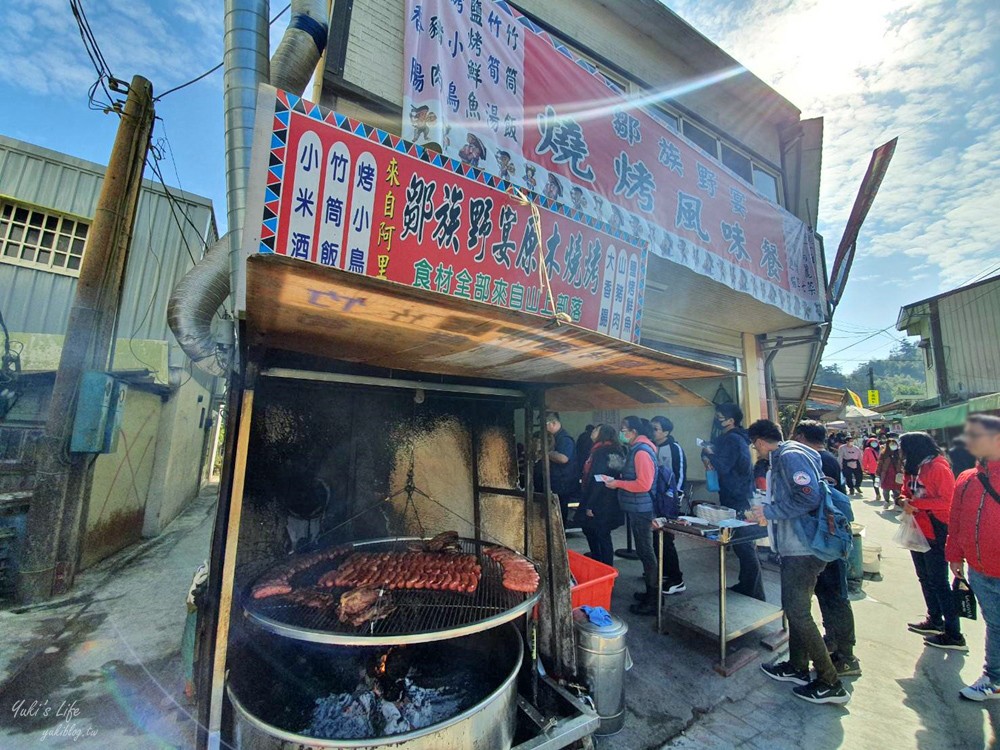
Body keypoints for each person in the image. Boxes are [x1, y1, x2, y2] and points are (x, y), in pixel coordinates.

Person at [748, 419, 851, 705]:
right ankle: (796, 666)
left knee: (798, 612)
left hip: (803, 548)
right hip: (797, 546)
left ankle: (830, 682)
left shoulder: (790, 456)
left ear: (759, 441)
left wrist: (770, 511)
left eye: (754, 445)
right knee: (796, 609)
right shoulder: (789, 455)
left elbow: (809, 496)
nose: (755, 450)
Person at [792, 420, 861, 678]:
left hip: (828, 536)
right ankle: (832, 641)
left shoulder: (816, 460)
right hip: (829, 535)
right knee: (827, 594)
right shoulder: (827, 458)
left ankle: (846, 655)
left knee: (834, 595)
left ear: (800, 436)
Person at [947, 415, 1000, 700]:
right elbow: (956, 521)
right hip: (980, 571)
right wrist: (955, 556)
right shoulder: (967, 478)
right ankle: (994, 678)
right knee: (996, 625)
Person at [899, 431, 965, 651]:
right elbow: (903, 491)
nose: (901, 452)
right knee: (924, 577)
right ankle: (934, 620)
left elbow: (947, 500)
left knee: (939, 582)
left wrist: (917, 504)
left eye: (904, 447)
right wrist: (903, 501)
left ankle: (954, 633)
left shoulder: (938, 467)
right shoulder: (913, 467)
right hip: (916, 528)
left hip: (935, 530)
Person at [702, 403, 765, 600]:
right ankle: (747, 585)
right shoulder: (738, 439)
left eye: (720, 417)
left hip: (737, 497)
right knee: (743, 544)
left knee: (743, 545)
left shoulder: (731, 440)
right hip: (741, 494)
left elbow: (724, 466)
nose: (717, 420)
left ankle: (754, 591)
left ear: (731, 420)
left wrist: (709, 452)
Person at [605, 416, 659, 615]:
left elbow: (643, 484)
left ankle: (653, 600)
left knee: (646, 552)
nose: (622, 432)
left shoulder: (642, 452)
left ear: (635, 431)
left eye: (624, 429)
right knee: (645, 552)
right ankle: (650, 593)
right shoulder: (637, 449)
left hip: (641, 509)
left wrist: (617, 483)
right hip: (637, 507)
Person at [578, 425, 626, 566]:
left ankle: (602, 565)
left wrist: (590, 505)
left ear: (602, 433)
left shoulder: (601, 452)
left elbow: (598, 479)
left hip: (600, 499)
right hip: (611, 498)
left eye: (595, 430)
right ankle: (602, 563)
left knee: (598, 533)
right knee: (600, 533)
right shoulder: (617, 449)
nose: (592, 432)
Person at [650, 416, 686, 595]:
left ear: (666, 431)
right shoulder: (650, 446)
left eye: (656, 428)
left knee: (667, 539)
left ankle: (676, 579)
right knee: (656, 539)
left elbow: (679, 474)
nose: (653, 431)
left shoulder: (674, 448)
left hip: (668, 502)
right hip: (654, 501)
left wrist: (675, 497)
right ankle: (662, 571)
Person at [543, 412, 577, 525]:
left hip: (562, 483)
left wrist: (546, 453)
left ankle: (560, 539)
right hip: (556, 482)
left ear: (553, 423)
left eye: (545, 424)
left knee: (559, 514)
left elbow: (563, 458)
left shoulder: (564, 439)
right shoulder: (554, 437)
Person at [877, 435, 904, 509]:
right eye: (891, 444)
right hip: (886, 474)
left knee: (897, 490)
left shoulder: (899, 453)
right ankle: (887, 501)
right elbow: (880, 464)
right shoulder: (884, 454)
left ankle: (896, 503)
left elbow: (903, 463)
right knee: (886, 490)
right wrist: (878, 473)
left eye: (894, 444)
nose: (893, 446)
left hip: (897, 474)